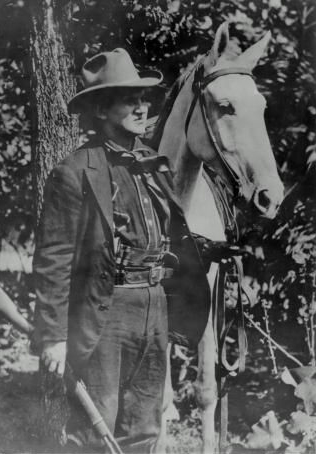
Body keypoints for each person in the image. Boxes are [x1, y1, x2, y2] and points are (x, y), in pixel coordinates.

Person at [32, 48, 210, 453]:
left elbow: (171, 237)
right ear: (100, 109)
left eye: (143, 98)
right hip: (105, 311)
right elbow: (53, 260)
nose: (142, 106)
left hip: (155, 305)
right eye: (129, 98)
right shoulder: (74, 172)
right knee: (97, 433)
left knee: (144, 428)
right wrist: (54, 336)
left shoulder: (152, 165)